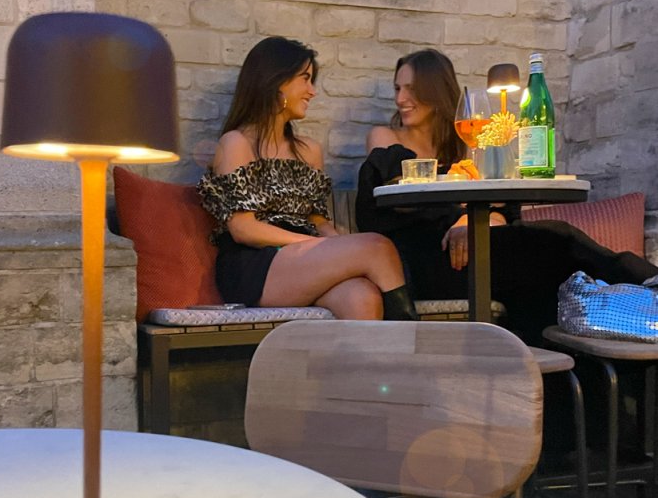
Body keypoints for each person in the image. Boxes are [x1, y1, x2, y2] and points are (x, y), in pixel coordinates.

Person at [357, 47, 657, 344]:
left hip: (477, 250)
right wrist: (465, 216)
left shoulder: (466, 143)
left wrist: (472, 220)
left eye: (411, 89)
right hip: (430, 260)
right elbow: (402, 198)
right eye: (397, 88)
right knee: (557, 240)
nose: (400, 99)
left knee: (545, 272)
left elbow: (501, 207)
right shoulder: (387, 138)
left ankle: (566, 360)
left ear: (435, 90)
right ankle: (646, 279)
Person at [197, 36, 416, 321]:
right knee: (377, 246)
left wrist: (337, 243)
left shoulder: (309, 151)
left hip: (305, 261)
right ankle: (410, 346)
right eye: (305, 79)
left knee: (362, 296)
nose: (312, 91)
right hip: (256, 266)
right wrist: (311, 244)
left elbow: (318, 221)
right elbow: (243, 229)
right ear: (277, 81)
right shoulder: (236, 143)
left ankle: (375, 352)